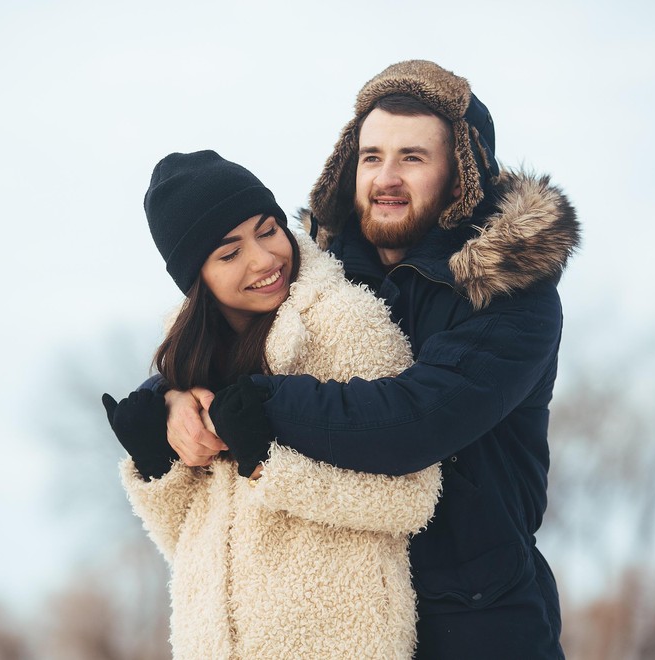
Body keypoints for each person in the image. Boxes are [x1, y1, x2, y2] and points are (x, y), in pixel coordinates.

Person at [165, 61, 581, 658]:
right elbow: (216, 337)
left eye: (412, 157)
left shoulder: (512, 294)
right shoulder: (315, 277)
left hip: (476, 622)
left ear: (461, 172)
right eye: (370, 156)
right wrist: (174, 396)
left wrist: (257, 400)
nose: (386, 177)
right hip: (339, 622)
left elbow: (414, 421)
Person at [102, 150, 442, 658]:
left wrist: (267, 465)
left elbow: (413, 498)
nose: (263, 259)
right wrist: (158, 469)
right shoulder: (190, 361)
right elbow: (192, 545)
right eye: (229, 252)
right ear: (196, 278)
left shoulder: (345, 322)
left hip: (337, 642)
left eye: (267, 230)